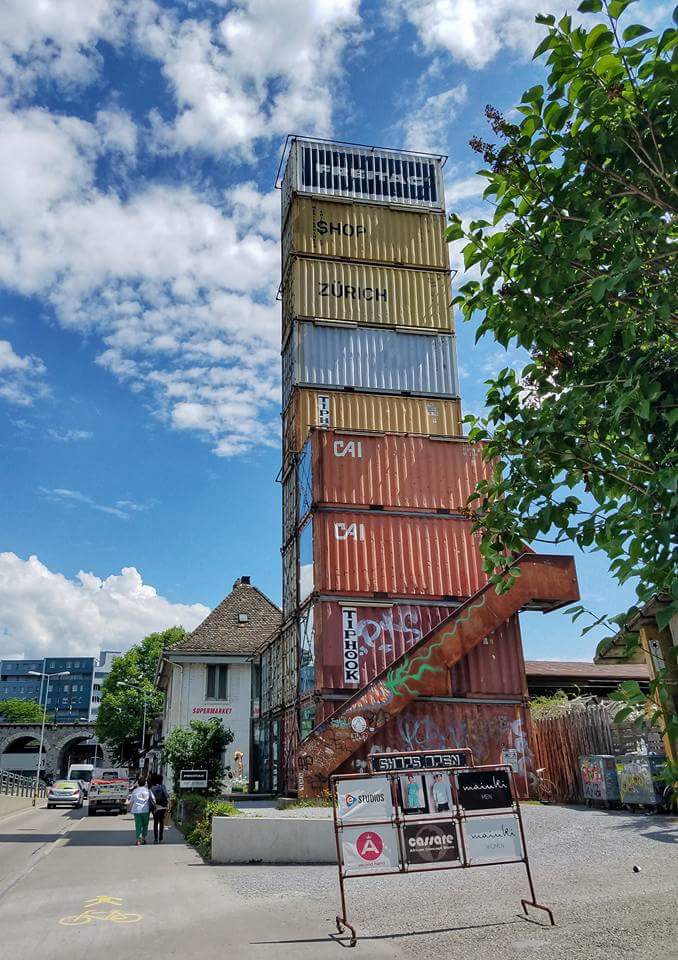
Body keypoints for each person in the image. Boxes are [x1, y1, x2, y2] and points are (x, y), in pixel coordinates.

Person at [128, 776, 151, 846]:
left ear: (138, 783)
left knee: (138, 825)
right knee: (145, 825)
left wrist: (129, 808)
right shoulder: (147, 791)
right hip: (146, 810)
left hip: (137, 810)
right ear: (145, 783)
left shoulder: (135, 791)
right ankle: (143, 838)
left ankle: (138, 840)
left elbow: (131, 801)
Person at [149, 773, 169, 844]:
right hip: (162, 807)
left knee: (155, 822)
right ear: (161, 780)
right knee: (161, 822)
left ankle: (155, 839)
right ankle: (160, 838)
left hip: (155, 808)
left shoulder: (152, 788)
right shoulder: (163, 786)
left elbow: (150, 799)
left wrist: (152, 808)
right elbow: (167, 795)